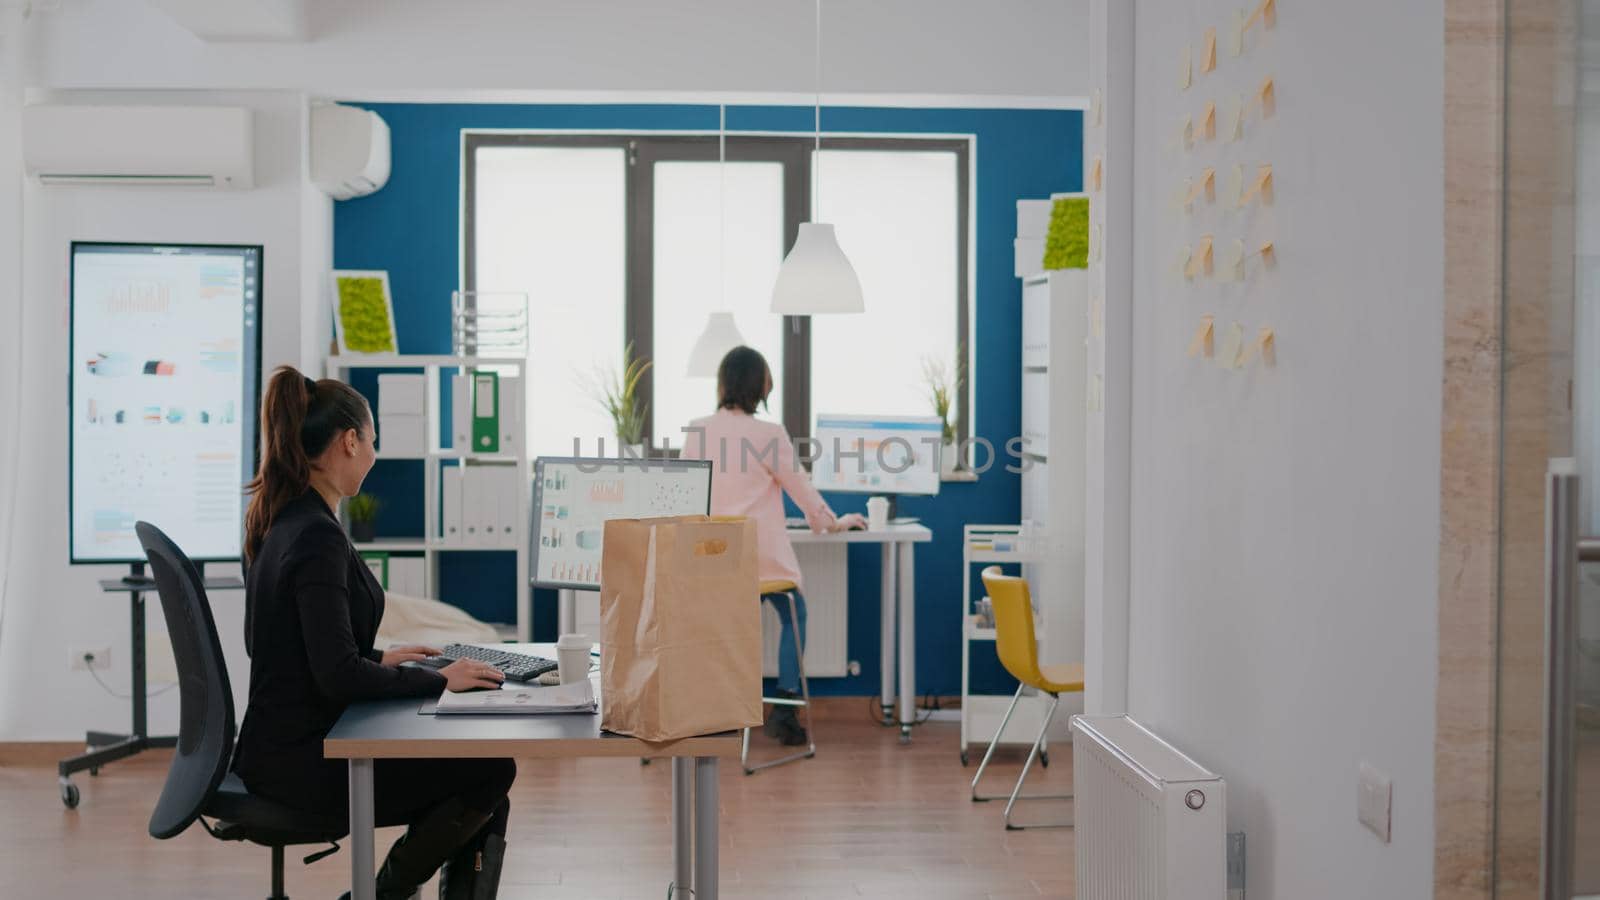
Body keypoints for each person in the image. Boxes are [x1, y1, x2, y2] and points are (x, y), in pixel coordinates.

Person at [232, 366, 515, 900]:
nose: (375, 456)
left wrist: (381, 659)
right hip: (305, 764)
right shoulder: (315, 536)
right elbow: (335, 674)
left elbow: (289, 648)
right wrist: (438, 681)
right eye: (373, 442)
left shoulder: (283, 518)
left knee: (483, 778)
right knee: (488, 773)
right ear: (349, 440)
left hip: (280, 748)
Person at [682, 347, 865, 746]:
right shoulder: (768, 433)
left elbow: (686, 497)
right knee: (793, 611)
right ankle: (784, 709)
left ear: (723, 383)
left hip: (712, 560)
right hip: (760, 562)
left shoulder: (697, 430)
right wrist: (833, 523)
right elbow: (801, 489)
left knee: (721, 622)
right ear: (759, 385)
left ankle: (715, 708)